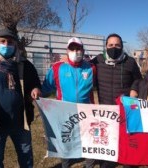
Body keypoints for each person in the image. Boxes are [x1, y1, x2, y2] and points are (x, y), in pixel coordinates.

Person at [0, 28, 41, 168]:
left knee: (26, 159)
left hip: (21, 123)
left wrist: (36, 89)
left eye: (10, 42)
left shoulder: (26, 64)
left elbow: (35, 83)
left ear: (15, 45)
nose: (6, 44)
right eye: (3, 41)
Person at [85, 33, 142, 168]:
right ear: (106, 46)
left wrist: (134, 89)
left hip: (124, 109)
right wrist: (64, 60)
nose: (114, 47)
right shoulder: (98, 60)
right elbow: (81, 65)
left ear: (122, 46)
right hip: (105, 111)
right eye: (111, 45)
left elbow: (139, 79)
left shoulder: (130, 62)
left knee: (125, 140)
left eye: (117, 45)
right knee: (108, 139)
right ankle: (107, 163)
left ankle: (127, 161)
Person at [41, 37, 96, 168]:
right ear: (67, 50)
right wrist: (37, 94)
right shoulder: (57, 68)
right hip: (64, 112)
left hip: (86, 111)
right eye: (72, 49)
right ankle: (66, 163)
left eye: (78, 49)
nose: (75, 51)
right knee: (65, 139)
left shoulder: (91, 68)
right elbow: (46, 87)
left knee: (89, 139)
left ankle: (89, 164)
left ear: (83, 50)